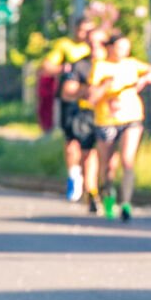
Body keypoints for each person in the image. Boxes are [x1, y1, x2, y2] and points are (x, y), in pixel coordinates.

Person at [90, 31, 151, 221]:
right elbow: (92, 97)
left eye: (126, 47)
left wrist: (144, 79)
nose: (123, 51)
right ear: (110, 48)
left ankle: (126, 203)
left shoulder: (132, 64)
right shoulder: (100, 66)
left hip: (131, 117)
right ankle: (109, 201)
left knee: (127, 160)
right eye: (119, 47)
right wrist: (106, 86)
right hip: (106, 119)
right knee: (108, 165)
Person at [58, 22, 106, 213]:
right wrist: (87, 90)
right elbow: (67, 91)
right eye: (91, 43)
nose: (95, 47)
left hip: (111, 117)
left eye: (99, 43)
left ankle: (104, 189)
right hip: (85, 114)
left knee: (108, 159)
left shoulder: (115, 65)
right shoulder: (80, 65)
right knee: (87, 153)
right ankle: (91, 191)